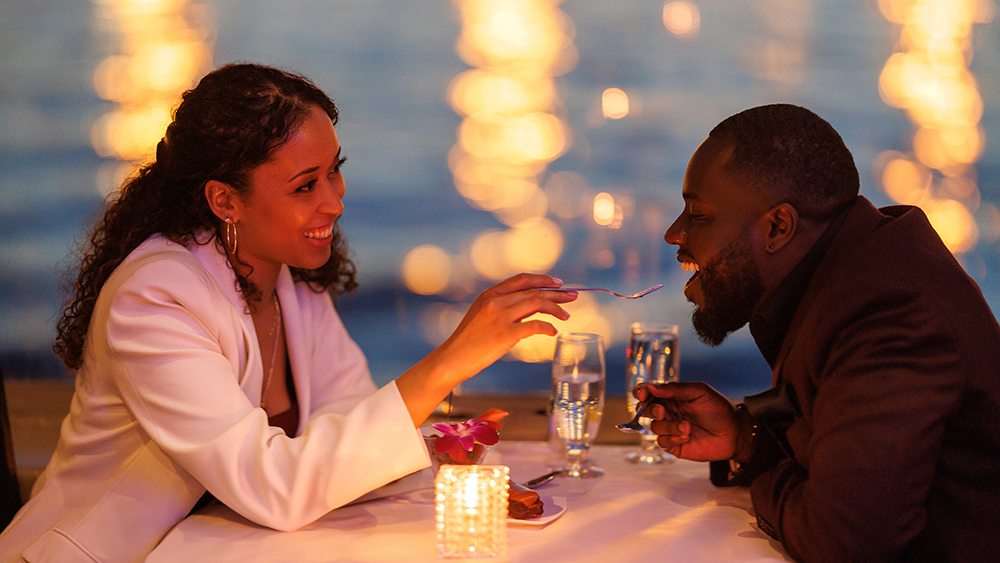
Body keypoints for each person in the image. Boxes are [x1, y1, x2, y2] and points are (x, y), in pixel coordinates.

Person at [0, 63, 577, 563]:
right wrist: (450, 362)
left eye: (334, 170)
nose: (335, 200)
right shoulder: (154, 298)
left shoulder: (288, 280)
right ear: (225, 199)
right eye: (305, 186)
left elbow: (345, 425)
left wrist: (433, 446)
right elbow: (274, 486)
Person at [637, 104, 1000, 562]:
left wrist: (774, 483)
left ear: (778, 227)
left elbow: (844, 541)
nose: (674, 234)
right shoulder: (858, 268)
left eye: (698, 215)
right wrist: (746, 438)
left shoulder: (889, 316)